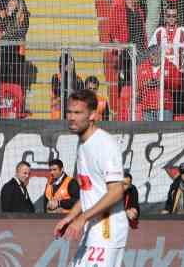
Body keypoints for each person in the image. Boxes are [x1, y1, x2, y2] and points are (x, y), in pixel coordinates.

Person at [53, 89, 128, 267]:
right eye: (69, 112)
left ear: (93, 115)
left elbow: (116, 191)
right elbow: (89, 191)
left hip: (107, 231)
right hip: (92, 230)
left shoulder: (105, 144)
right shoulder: (82, 143)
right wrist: (70, 217)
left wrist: (82, 218)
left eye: (78, 113)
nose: (71, 117)